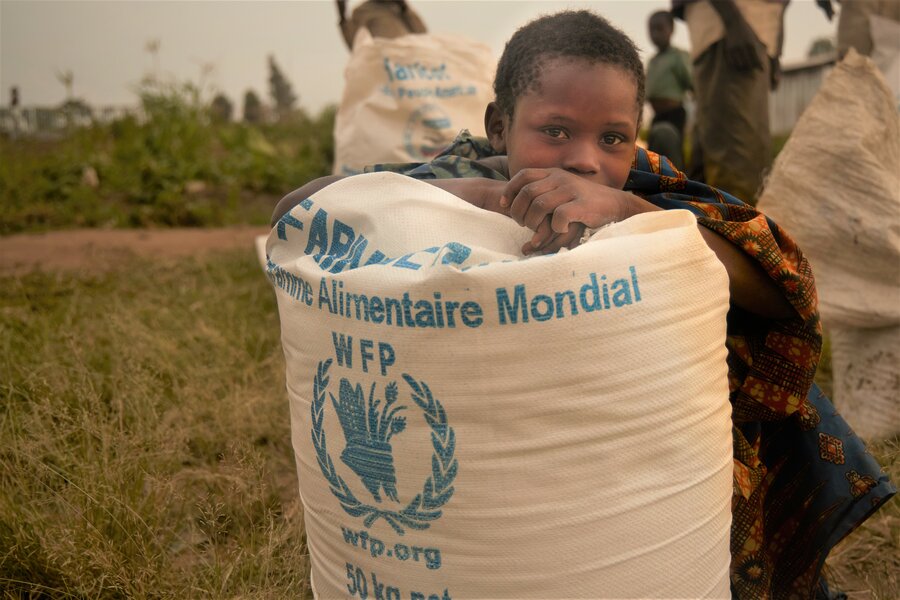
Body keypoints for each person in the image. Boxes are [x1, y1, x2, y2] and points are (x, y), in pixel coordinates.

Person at [274, 10, 894, 598]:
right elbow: (298, 209)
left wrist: (627, 211)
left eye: (613, 138)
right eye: (555, 131)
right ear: (498, 126)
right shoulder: (459, 175)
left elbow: (780, 280)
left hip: (642, 463)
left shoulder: (648, 188)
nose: (584, 160)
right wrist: (484, 199)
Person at [672, 0, 787, 205]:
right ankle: (733, 233)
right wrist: (733, 22)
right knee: (738, 171)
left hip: (751, 30)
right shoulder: (733, 26)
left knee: (729, 166)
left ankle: (716, 231)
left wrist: (776, 45)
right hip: (733, 25)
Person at [645, 10, 693, 171]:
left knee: (672, 149)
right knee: (654, 155)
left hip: (674, 113)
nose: (655, 34)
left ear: (671, 30)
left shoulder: (678, 56)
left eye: (660, 28)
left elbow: (691, 82)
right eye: (651, 29)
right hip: (657, 115)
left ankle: (678, 187)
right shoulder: (652, 61)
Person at [336, 0, 427, 51]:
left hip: (412, 64)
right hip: (387, 67)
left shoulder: (400, 9)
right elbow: (354, 45)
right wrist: (342, 13)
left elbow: (423, 34)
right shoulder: (362, 11)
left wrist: (404, 7)